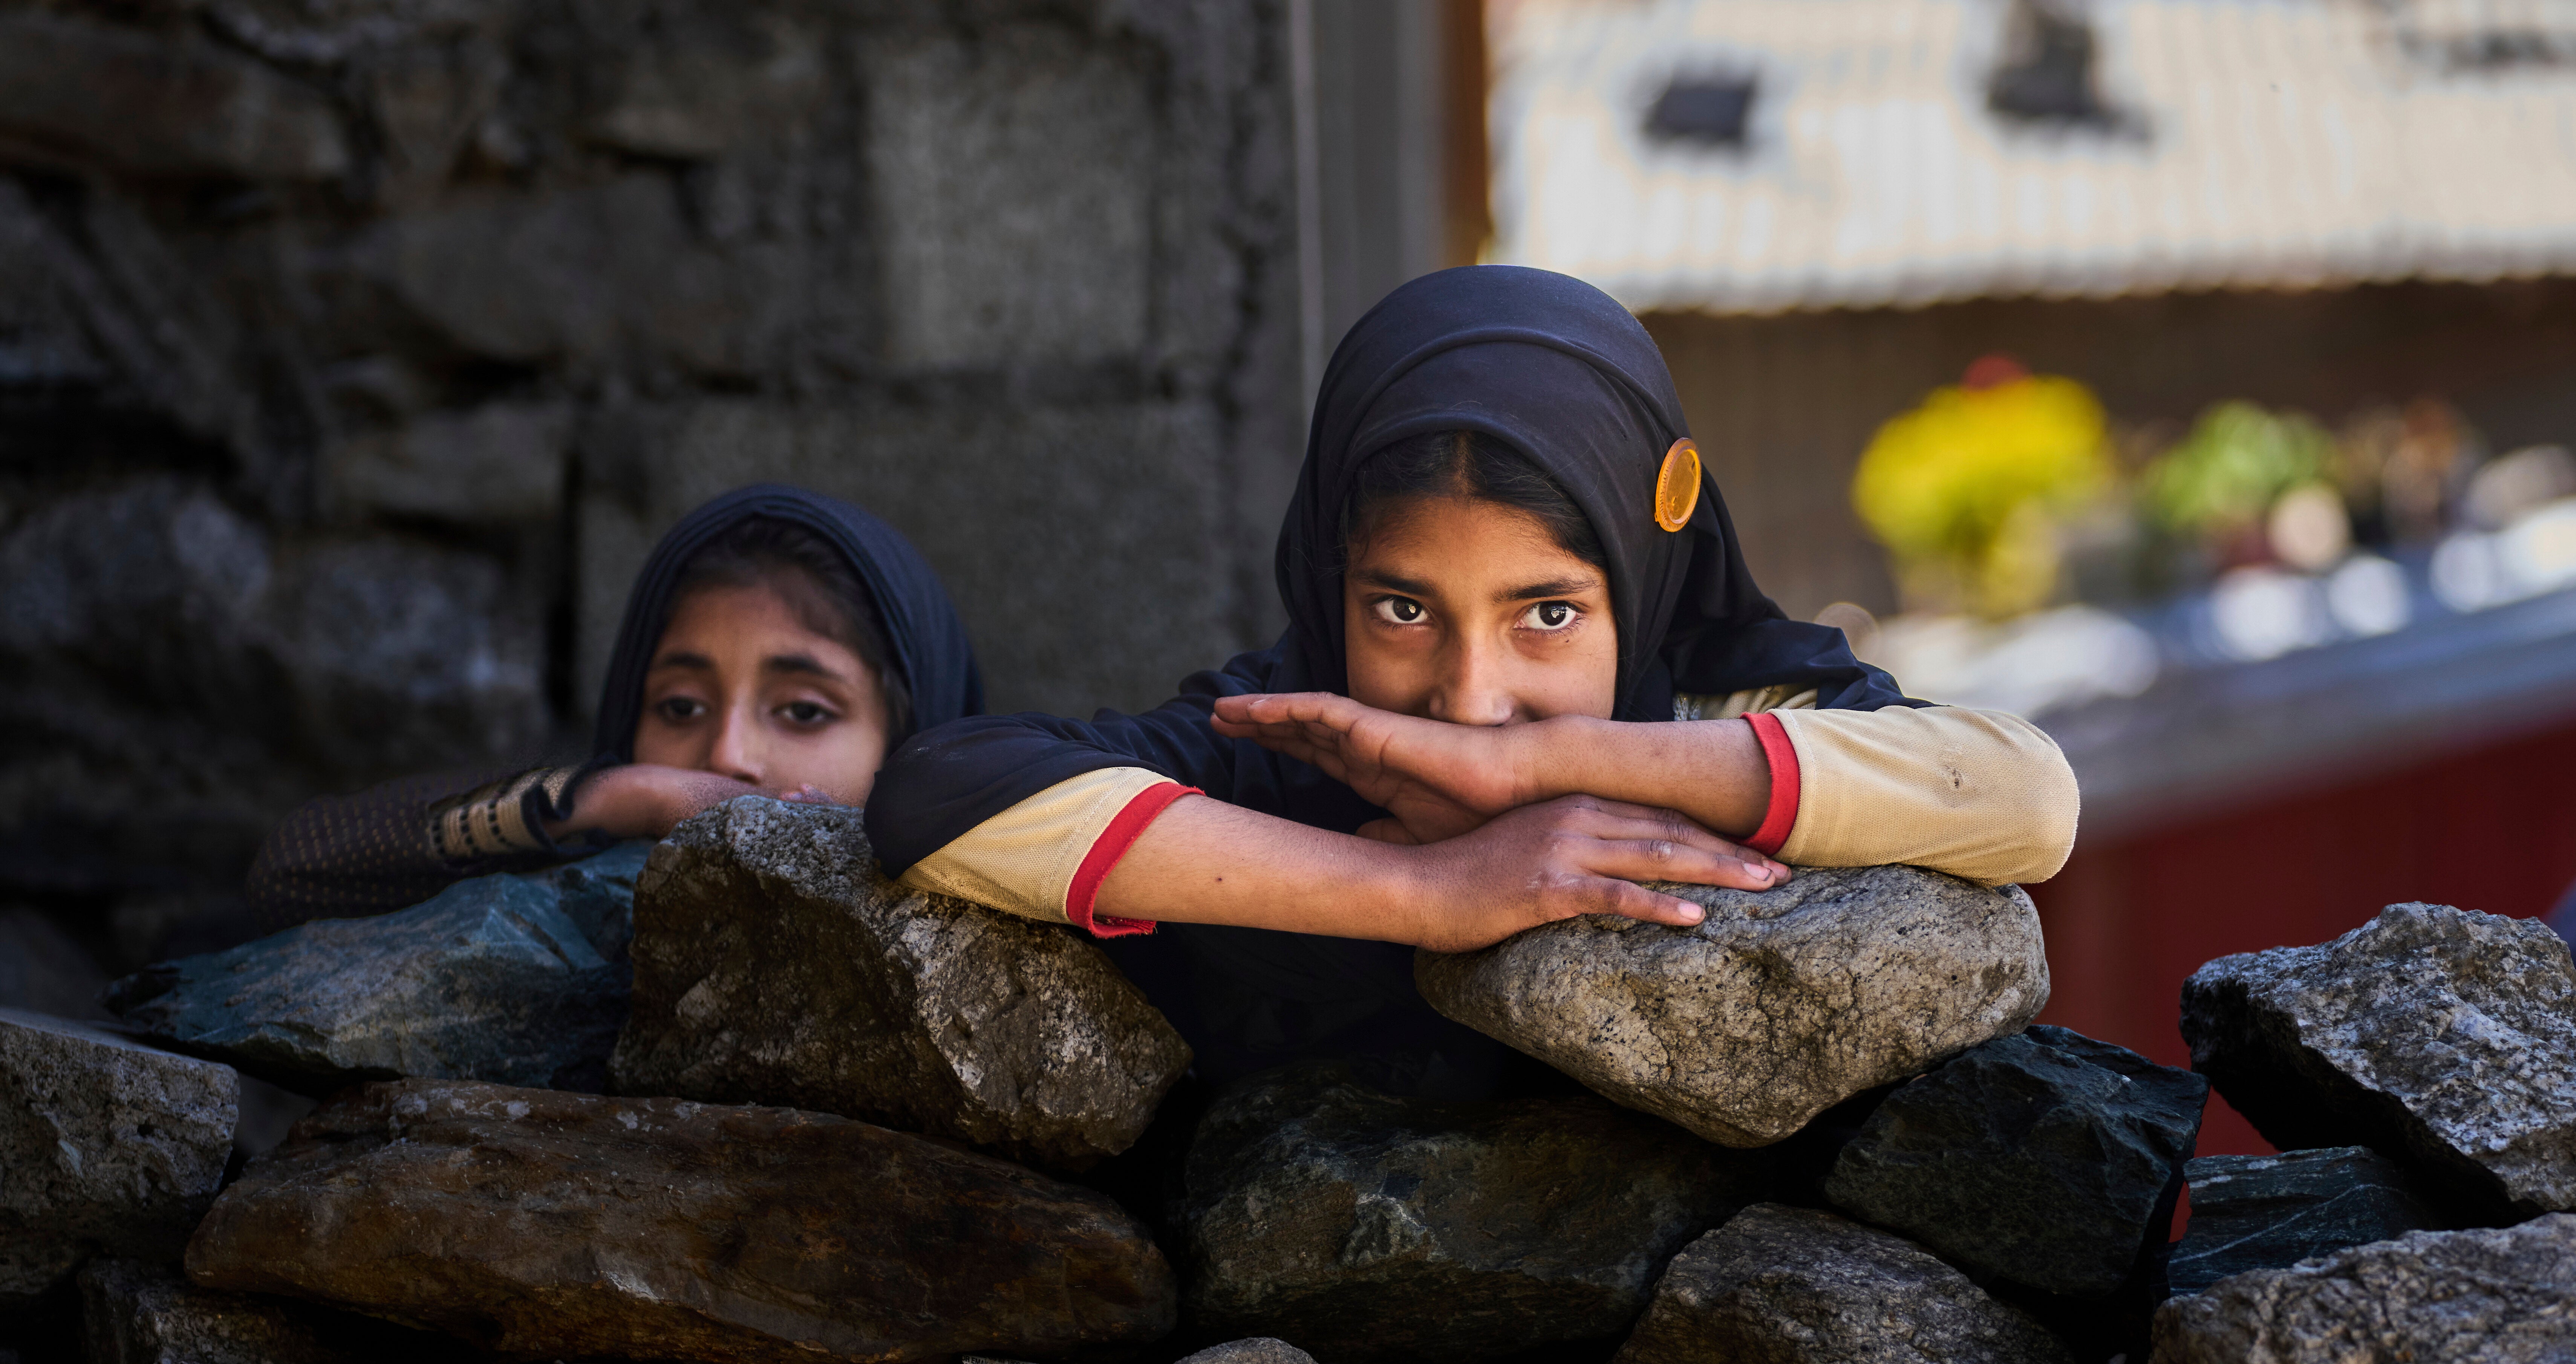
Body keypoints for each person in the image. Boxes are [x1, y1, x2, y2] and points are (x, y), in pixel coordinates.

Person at [866, 268, 2079, 1095]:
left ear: (1643, 577)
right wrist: (1426, 889)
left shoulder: (1725, 714)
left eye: (1547, 614)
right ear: (1328, 575)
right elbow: (943, 794)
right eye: (1402, 609)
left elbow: (2026, 801)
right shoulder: (1280, 743)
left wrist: (1554, 764)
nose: (1471, 697)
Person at [247, 485, 982, 930]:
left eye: (804, 711)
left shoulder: (992, 937)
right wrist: (606, 796)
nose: (727, 755)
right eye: (681, 706)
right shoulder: (578, 915)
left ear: (909, 743)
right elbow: (294, 871)